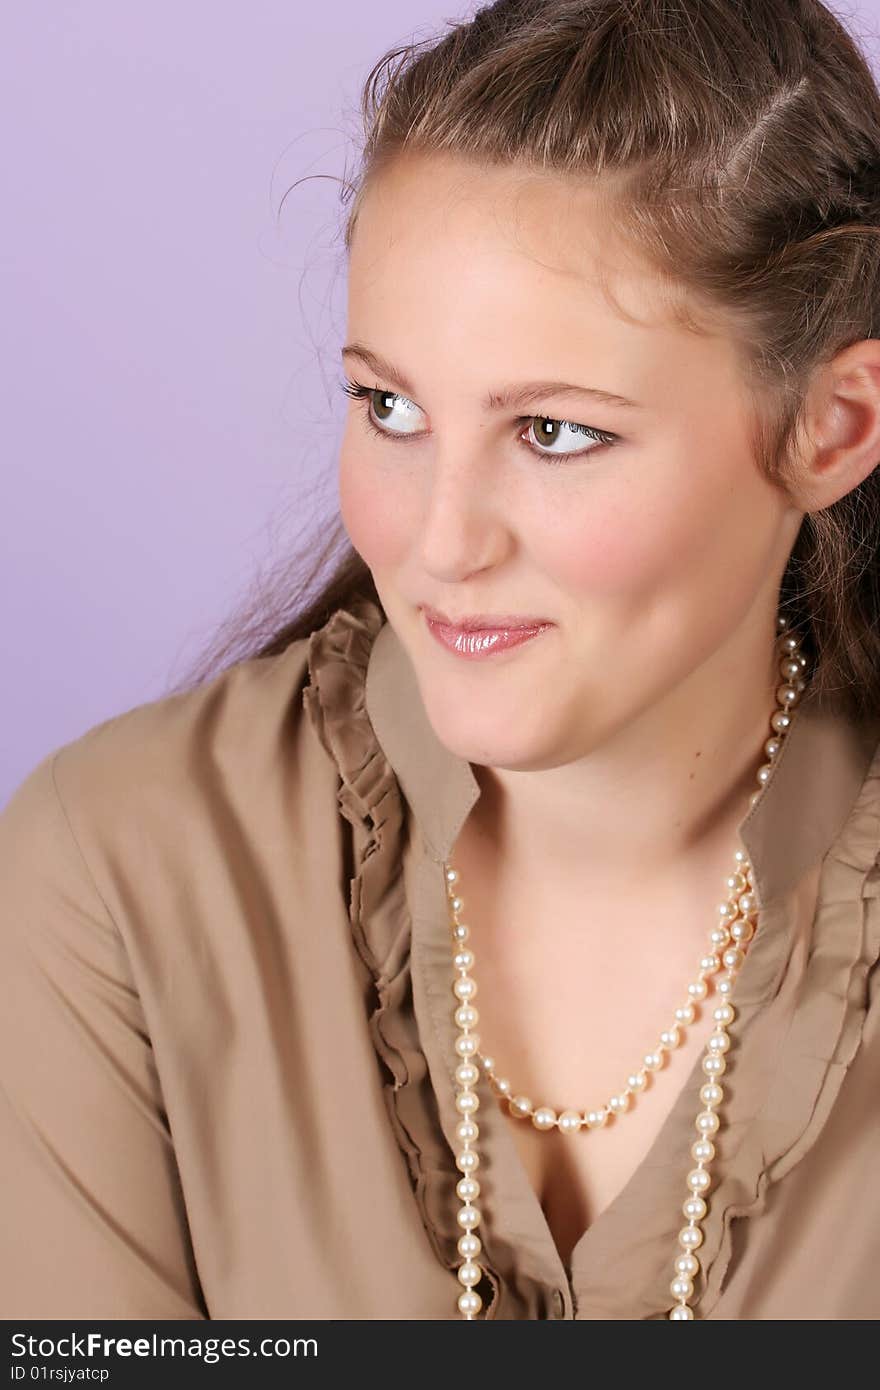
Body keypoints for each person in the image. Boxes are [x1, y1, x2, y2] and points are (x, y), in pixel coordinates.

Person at [2, 0, 880, 1322]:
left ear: (835, 425)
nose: (437, 540)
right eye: (390, 407)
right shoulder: (121, 872)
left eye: (555, 431)